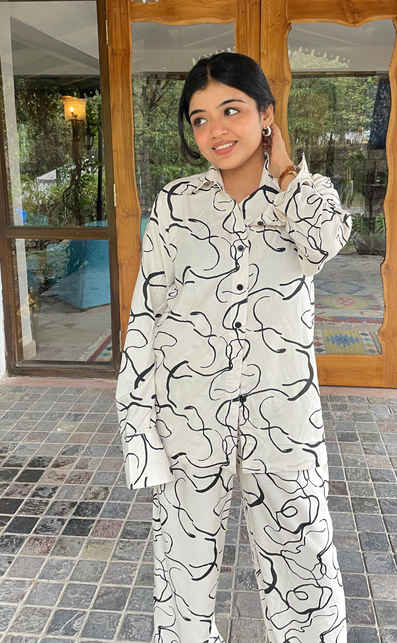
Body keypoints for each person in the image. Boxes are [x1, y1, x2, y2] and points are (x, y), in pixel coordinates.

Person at [115, 52, 351, 643]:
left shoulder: (306, 196)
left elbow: (323, 244)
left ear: (266, 114)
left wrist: (286, 171)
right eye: (199, 119)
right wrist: (139, 427)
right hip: (188, 416)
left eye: (231, 110)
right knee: (182, 573)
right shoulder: (176, 204)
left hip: (284, 418)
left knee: (305, 561)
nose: (215, 130)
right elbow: (147, 315)